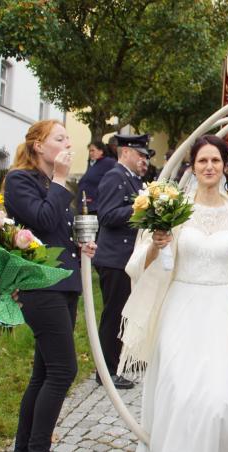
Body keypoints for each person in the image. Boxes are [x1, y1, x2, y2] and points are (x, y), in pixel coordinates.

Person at [117, 134, 228, 452]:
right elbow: (139, 263)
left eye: (215, 160)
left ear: (225, 166)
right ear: (193, 166)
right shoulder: (173, 209)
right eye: (202, 160)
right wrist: (156, 245)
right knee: (179, 390)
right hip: (179, 310)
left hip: (221, 311)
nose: (209, 166)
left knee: (219, 397)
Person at [3, 119, 97, 452]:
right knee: (63, 369)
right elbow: (40, 219)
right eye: (59, 138)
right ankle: (38, 446)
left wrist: (80, 245)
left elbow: (53, 230)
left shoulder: (48, 182)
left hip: (63, 283)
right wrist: (60, 179)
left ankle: (25, 446)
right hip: (41, 286)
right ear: (38, 146)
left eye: (68, 138)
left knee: (43, 373)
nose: (67, 144)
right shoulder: (19, 180)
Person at [92, 133, 151, 390]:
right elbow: (106, 215)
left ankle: (119, 363)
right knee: (114, 316)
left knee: (125, 314)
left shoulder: (132, 179)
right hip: (114, 258)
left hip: (126, 259)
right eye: (140, 155)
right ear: (125, 152)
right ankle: (106, 369)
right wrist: (141, 209)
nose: (144, 161)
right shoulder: (115, 177)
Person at [76, 140, 116, 214]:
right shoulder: (93, 164)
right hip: (86, 204)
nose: (90, 153)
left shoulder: (108, 162)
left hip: (95, 206)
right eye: (89, 151)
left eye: (92, 150)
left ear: (101, 151)